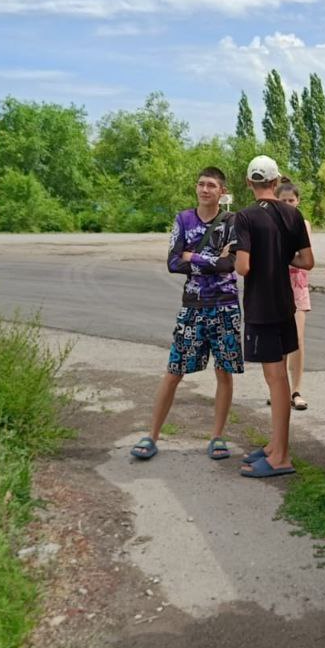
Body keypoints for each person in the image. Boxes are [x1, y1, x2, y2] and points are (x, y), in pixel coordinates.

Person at [130, 167, 241, 462]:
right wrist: (211, 259)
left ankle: (217, 436)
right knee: (174, 371)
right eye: (201, 184)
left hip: (225, 304)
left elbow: (230, 264)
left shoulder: (232, 222)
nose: (205, 190)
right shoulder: (184, 219)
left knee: (224, 372)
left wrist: (193, 256)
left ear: (222, 192)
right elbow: (173, 263)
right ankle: (152, 435)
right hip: (192, 305)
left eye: (212, 186)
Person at [234, 155, 314, 478]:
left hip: (261, 306)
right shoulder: (292, 214)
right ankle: (274, 444)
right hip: (285, 304)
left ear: (248, 183)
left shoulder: (245, 216)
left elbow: (243, 266)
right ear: (277, 181)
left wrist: (235, 256)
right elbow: (307, 261)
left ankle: (281, 455)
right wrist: (282, 256)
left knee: (276, 378)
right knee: (278, 375)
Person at [278, 179, 315, 412]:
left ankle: (296, 390)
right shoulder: (270, 222)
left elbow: (302, 254)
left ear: (298, 201)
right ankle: (280, 390)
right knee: (280, 342)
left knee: (298, 340)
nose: (288, 204)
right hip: (277, 287)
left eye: (291, 200)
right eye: (283, 201)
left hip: (298, 287)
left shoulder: (303, 224)